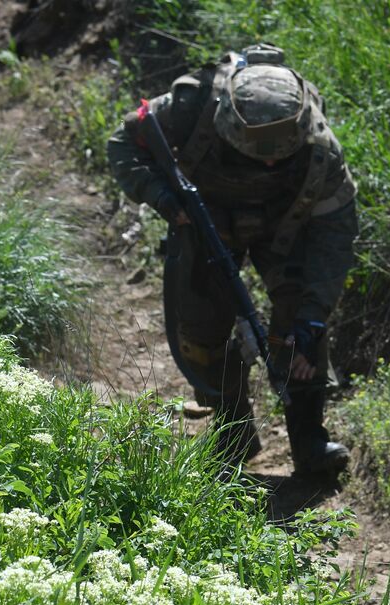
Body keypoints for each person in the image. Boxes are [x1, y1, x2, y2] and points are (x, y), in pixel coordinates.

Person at [107, 44, 355, 473]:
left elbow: (335, 237)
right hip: (205, 223)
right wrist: (164, 198)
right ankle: (232, 436)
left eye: (282, 154)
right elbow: (124, 144)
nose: (273, 160)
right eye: (260, 153)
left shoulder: (320, 146)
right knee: (202, 328)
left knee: (302, 327)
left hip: (284, 227)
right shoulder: (191, 107)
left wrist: (313, 317)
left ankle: (310, 442)